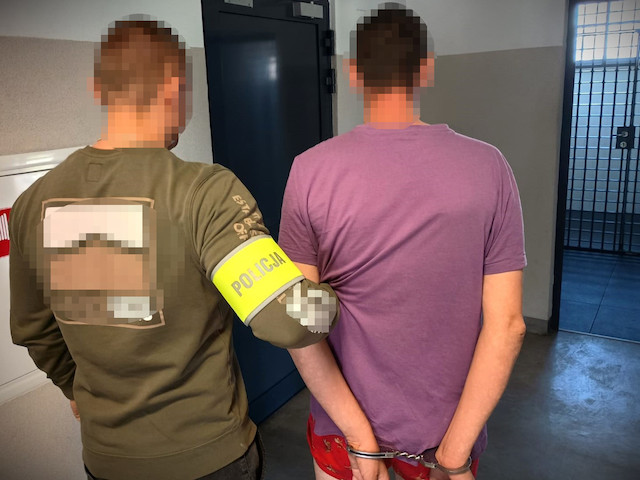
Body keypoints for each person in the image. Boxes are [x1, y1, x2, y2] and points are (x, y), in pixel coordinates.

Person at [9, 16, 338, 480]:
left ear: (99, 89)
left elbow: (36, 332)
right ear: (173, 88)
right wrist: (334, 299)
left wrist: (75, 388)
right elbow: (288, 320)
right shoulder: (203, 193)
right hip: (210, 456)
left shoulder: (32, 204)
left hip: (106, 460)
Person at [280, 4, 527, 480]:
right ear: (426, 69)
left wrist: (359, 436)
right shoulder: (489, 167)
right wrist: (454, 455)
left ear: (353, 73)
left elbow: (297, 324)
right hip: (445, 435)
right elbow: (509, 325)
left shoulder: (309, 171)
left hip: (343, 433)